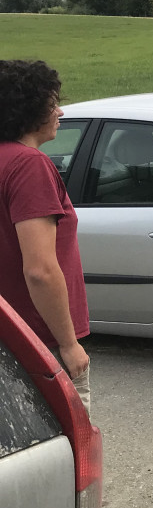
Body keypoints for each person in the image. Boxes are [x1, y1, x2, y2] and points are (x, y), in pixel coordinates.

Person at [0, 59, 91, 411]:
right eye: (52, 104)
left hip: (9, 336)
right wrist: (67, 344)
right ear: (29, 108)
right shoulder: (28, 165)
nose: (61, 112)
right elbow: (39, 269)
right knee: (71, 453)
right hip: (38, 340)